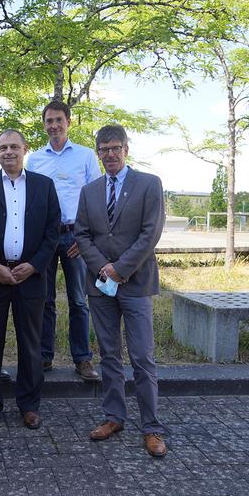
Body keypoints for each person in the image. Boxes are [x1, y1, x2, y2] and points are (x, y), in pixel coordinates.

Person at [74, 124, 167, 458]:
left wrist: (121, 268)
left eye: (115, 148)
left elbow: (150, 232)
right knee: (109, 355)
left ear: (126, 149)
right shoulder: (90, 190)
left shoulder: (149, 184)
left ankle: (152, 428)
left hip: (136, 284)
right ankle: (114, 417)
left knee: (142, 357)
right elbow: (81, 234)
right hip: (101, 287)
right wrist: (103, 267)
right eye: (103, 150)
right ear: (97, 153)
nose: (110, 155)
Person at [0, 129, 60, 430]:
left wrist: (34, 266)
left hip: (30, 277)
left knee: (31, 344)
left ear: (25, 149)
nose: (8, 152)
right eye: (2, 147)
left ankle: (29, 404)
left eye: (14, 147)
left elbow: (52, 231)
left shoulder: (44, 186)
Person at [27, 100, 101, 381]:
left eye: (59, 120)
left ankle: (82, 359)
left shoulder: (85, 156)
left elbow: (95, 197)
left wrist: (85, 237)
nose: (54, 125)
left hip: (75, 236)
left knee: (79, 300)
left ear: (69, 122)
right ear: (44, 125)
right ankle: (45, 356)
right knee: (44, 300)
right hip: (45, 237)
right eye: (49, 121)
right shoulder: (34, 159)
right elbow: (32, 201)